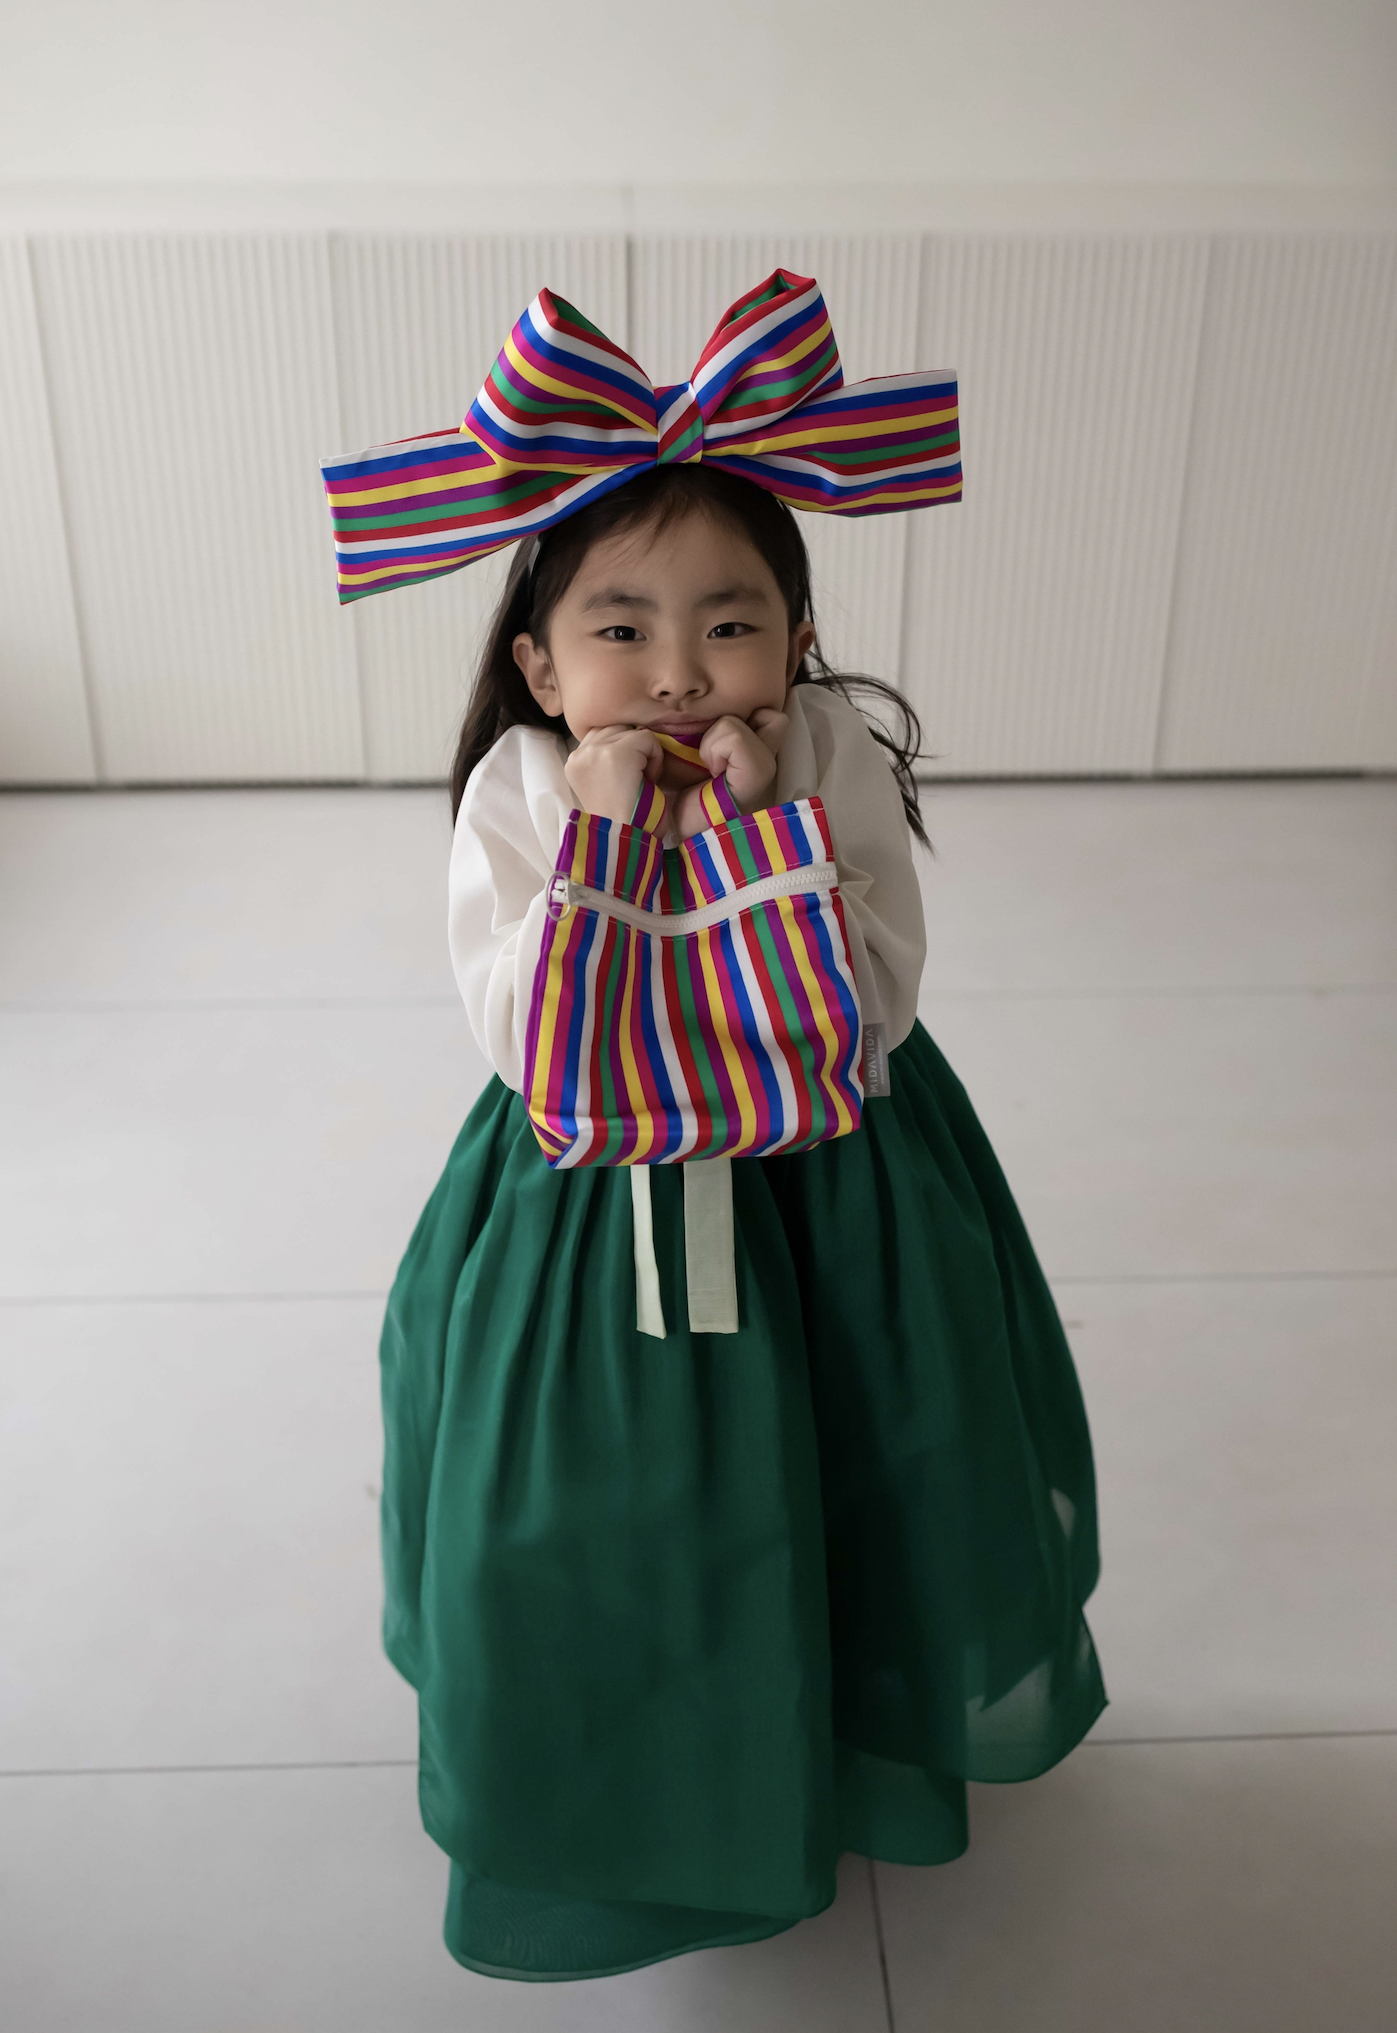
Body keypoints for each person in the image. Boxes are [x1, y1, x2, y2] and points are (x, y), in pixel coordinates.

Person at [322, 273, 1106, 1982]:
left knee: (869, 1446)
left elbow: (878, 995)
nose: (681, 672)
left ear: (799, 638)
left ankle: (849, 1708)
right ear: (539, 661)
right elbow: (523, 1037)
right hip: (592, 1204)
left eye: (731, 622)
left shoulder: (822, 756)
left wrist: (764, 833)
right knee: (592, 1490)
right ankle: (634, 1761)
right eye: (622, 630)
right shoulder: (524, 791)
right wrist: (606, 849)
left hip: (842, 1186)